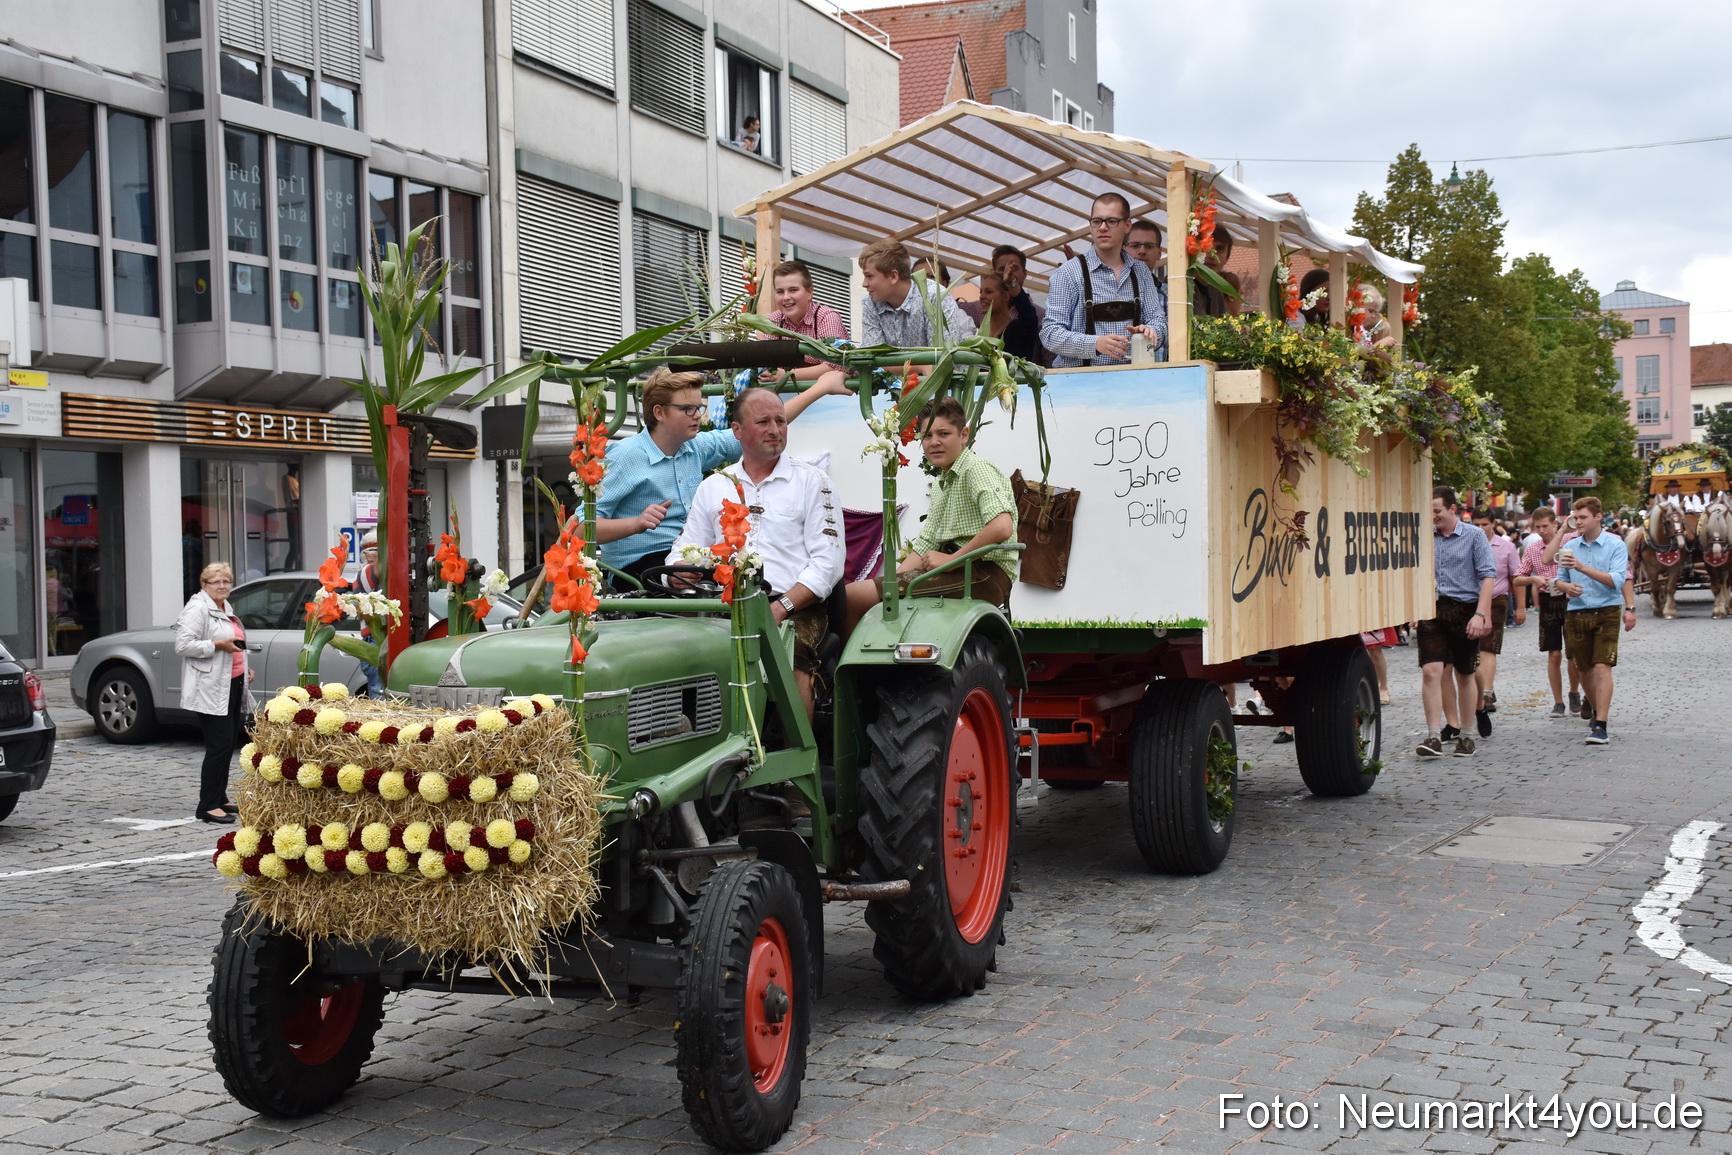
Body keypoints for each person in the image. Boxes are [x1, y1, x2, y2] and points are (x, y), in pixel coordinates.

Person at [669, 387, 842, 718]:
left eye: (781, 421)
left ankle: (798, 750)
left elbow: (828, 563)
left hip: (795, 609)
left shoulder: (813, 481)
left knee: (790, 654)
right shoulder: (714, 485)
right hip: (723, 605)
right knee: (677, 652)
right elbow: (686, 548)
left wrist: (781, 606)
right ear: (737, 430)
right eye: (763, 422)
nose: (775, 430)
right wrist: (679, 571)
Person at [596, 367, 837, 584]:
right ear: (659, 412)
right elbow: (581, 528)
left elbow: (758, 428)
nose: (697, 416)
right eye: (688, 409)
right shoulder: (625, 456)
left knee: (737, 582)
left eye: (699, 408)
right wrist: (635, 524)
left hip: (690, 558)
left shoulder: (694, 447)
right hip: (637, 566)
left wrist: (820, 388)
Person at [844, 397, 1017, 631]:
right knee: (854, 595)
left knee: (851, 597)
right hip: (959, 571)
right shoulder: (941, 484)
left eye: (943, 434)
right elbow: (927, 542)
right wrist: (891, 583)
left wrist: (952, 560)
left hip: (983, 574)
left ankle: (850, 656)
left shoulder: (976, 469)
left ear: (964, 435)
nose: (934, 442)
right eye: (927, 435)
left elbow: (1002, 526)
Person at [1040, 192, 1167, 367]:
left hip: (1131, 378)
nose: (1103, 227)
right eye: (1097, 221)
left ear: (1127, 225)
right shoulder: (1068, 273)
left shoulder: (1141, 272)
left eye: (1112, 221)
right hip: (1080, 380)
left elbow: (1159, 321)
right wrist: (1094, 344)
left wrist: (1151, 331)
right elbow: (1050, 334)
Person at [1415, 487, 1495, 759]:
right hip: (1432, 609)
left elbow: (1488, 575)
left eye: (1437, 510)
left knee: (1464, 673)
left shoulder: (1474, 535)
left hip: (1465, 609)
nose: (1433, 516)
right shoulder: (1424, 536)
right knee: (1431, 671)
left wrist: (1481, 614)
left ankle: (1467, 735)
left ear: (1452, 509)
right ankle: (1433, 735)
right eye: (1430, 511)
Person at [1550, 496, 1632, 745]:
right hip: (1577, 611)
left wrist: (1582, 568)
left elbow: (1617, 580)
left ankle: (1601, 725)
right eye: (1576, 517)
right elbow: (1559, 579)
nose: (1578, 522)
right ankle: (1597, 709)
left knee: (1602, 667)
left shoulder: (1615, 544)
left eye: (1583, 517)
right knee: (1582, 669)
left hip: (1607, 611)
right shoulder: (1570, 545)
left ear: (1598, 517)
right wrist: (1566, 586)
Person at [176, 562, 251, 825]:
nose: (222, 586)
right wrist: (217, 644)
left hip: (231, 684)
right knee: (218, 746)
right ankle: (207, 806)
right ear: (204, 585)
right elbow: (183, 645)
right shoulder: (197, 608)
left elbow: (235, 644)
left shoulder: (224, 607)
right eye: (216, 582)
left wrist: (245, 669)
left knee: (227, 744)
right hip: (209, 687)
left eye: (226, 581)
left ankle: (220, 797)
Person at [1514, 506, 1574, 718]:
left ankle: (1574, 692)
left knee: (1573, 653)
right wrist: (1534, 578)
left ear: (1555, 524)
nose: (1542, 531)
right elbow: (1517, 578)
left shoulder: (1570, 542)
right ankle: (1558, 701)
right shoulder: (1532, 549)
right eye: (1538, 527)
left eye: (1545, 526)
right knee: (1554, 653)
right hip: (1548, 600)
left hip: (1570, 599)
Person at [858, 240, 975, 347]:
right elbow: (872, 357)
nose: (864, 284)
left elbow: (944, 356)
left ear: (893, 276)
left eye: (869, 276)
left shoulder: (934, 296)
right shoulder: (870, 303)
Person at [762, 260, 850, 389]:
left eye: (793, 290)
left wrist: (787, 375)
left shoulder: (826, 317)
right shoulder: (773, 321)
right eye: (780, 291)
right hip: (785, 395)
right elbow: (765, 365)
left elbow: (836, 366)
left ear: (809, 292)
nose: (786, 297)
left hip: (830, 395)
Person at [1471, 510, 1520, 736]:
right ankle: (1477, 688)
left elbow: (1515, 577)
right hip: (1470, 599)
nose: (1481, 528)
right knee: (1472, 649)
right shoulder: (1467, 542)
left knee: (1488, 647)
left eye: (1485, 524)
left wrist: (1520, 606)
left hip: (1496, 599)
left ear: (1493, 524)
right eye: (1476, 524)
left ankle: (1487, 692)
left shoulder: (1506, 547)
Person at [957, 245, 1047, 364]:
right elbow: (950, 308)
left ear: (1006, 296)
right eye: (981, 291)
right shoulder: (976, 335)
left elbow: (1029, 317)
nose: (982, 296)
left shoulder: (1017, 329)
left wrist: (1011, 283)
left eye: (989, 292)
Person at [352, 531, 384, 696]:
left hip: (381, 639)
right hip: (374, 639)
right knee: (379, 692)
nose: (369, 555)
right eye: (368, 551)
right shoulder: (365, 573)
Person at [1192, 226, 1242, 318]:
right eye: (1205, 248)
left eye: (1219, 250)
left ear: (1227, 258)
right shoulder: (1180, 283)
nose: (1212, 255)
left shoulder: (1216, 291)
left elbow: (1223, 324)